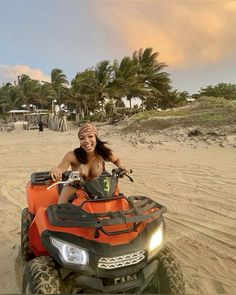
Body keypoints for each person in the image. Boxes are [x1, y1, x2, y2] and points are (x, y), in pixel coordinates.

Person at [50, 123, 127, 204]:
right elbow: (60, 169)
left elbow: (116, 159)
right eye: (82, 138)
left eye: (90, 136)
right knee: (61, 209)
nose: (86, 141)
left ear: (96, 137)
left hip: (96, 187)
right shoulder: (72, 155)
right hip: (75, 186)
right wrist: (55, 170)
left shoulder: (103, 153)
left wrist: (120, 165)